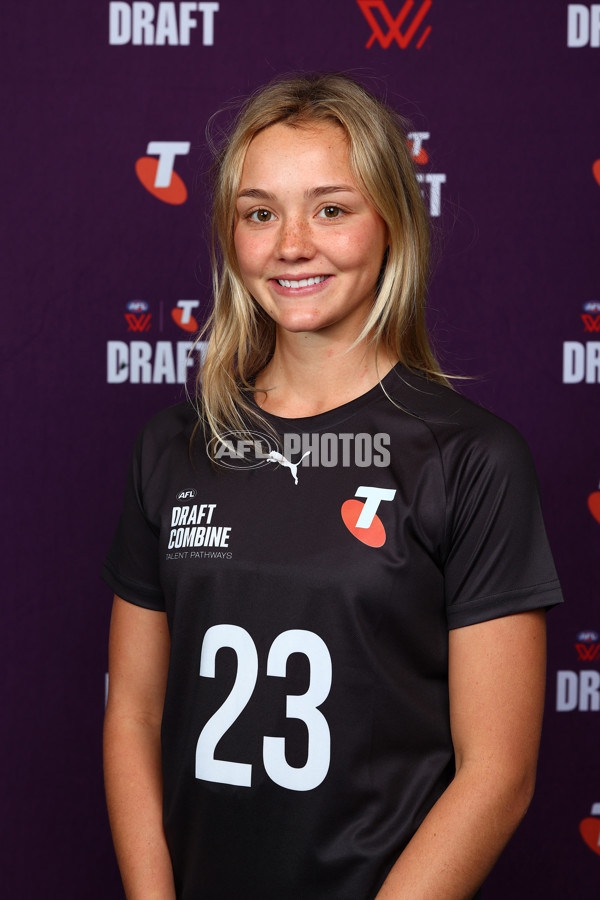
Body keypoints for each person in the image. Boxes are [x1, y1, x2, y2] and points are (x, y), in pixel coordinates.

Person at [102, 74, 563, 900]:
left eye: (331, 209)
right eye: (260, 213)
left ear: (392, 223)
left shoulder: (470, 458)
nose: (291, 245)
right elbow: (134, 713)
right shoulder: (173, 447)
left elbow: (498, 774)